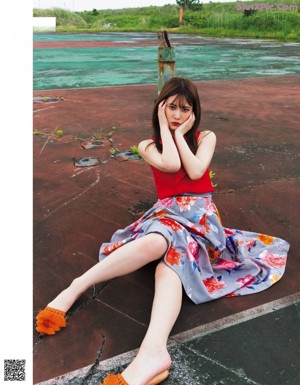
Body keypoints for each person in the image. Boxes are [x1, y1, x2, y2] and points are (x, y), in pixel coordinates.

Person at [35, 77, 289, 385]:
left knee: (169, 253)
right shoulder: (146, 145)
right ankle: (84, 295)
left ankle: (147, 346)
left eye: (185, 108)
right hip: (166, 213)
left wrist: (181, 134)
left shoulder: (206, 135)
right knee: (164, 246)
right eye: (171, 107)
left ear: (195, 111)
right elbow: (169, 164)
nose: (178, 115)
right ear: (160, 108)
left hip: (201, 220)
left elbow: (195, 171)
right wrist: (165, 127)